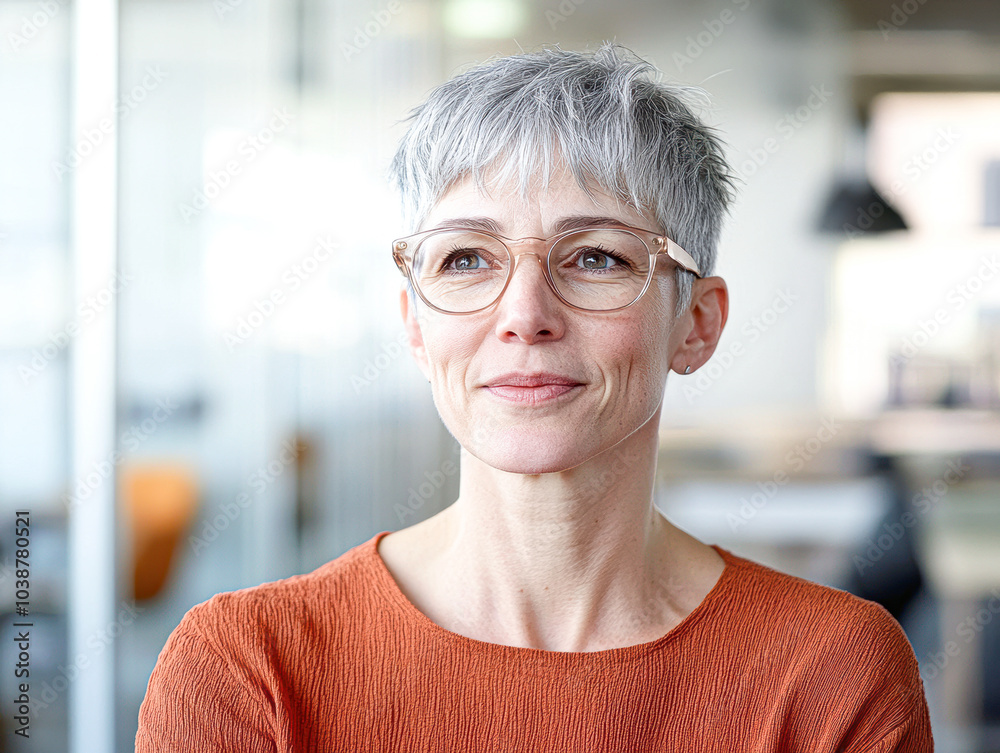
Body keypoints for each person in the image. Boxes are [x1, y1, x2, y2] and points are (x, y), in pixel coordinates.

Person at [136, 43, 933, 751]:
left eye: (594, 257)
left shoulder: (833, 674)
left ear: (696, 322)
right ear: (415, 323)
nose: (523, 315)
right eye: (465, 260)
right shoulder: (248, 668)